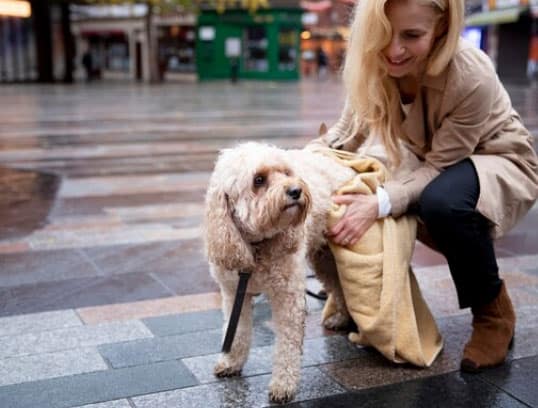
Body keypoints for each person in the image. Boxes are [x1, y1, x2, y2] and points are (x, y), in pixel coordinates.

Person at [311, 0, 538, 372]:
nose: (393, 50)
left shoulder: (470, 72)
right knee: (408, 197)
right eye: (384, 34)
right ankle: (365, 295)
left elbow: (440, 167)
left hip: (498, 159)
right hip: (438, 168)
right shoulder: (377, 59)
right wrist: (295, 167)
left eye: (412, 35)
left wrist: (380, 203)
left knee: (438, 204)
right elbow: (347, 134)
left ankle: (493, 313)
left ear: (442, 28)